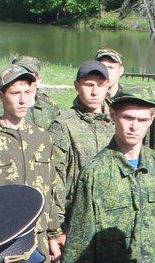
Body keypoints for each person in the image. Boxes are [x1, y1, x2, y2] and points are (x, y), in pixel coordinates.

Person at [60, 86, 155, 263]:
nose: (134, 126)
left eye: (142, 120)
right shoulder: (96, 173)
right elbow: (79, 242)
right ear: (113, 115)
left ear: (151, 119)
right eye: (128, 118)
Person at [0, 64, 60, 263]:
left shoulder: (41, 137)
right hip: (4, 239)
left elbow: (52, 189)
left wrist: (53, 234)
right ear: (1, 95)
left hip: (37, 235)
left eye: (27, 92)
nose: (23, 100)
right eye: (15, 93)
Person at [49, 60, 114, 235]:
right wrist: (57, 228)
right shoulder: (63, 125)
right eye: (89, 85)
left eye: (100, 85)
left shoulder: (118, 121)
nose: (94, 91)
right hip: (76, 220)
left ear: (107, 86)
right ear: (77, 86)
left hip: (113, 217)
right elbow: (56, 179)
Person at [9, 55, 61, 131]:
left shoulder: (51, 107)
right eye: (17, 74)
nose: (21, 79)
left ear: (38, 79)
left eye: (27, 75)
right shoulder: (3, 108)